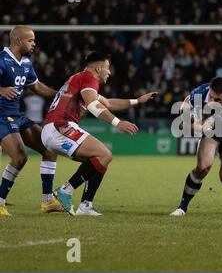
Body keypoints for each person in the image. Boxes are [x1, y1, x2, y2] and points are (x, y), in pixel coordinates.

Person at [41, 51, 157, 216]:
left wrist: (137, 100)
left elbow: (108, 103)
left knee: (98, 160)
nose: (109, 72)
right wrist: (118, 123)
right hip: (60, 126)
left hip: (54, 129)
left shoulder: (81, 80)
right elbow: (93, 105)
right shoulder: (88, 78)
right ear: (98, 68)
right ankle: (66, 190)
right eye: (108, 68)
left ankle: (85, 206)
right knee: (104, 154)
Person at [0, 25, 63, 217]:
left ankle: (48, 201)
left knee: (50, 148)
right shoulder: (1, 59)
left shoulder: (26, 62)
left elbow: (36, 86)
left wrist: (60, 95)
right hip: (2, 115)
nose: (34, 44)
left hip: (16, 115)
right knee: (20, 157)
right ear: (18, 41)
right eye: (30, 40)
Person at [170, 77, 222, 216]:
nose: (213, 102)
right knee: (203, 167)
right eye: (211, 97)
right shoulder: (200, 92)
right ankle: (182, 207)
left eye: (218, 100)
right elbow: (184, 107)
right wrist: (198, 125)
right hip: (212, 131)